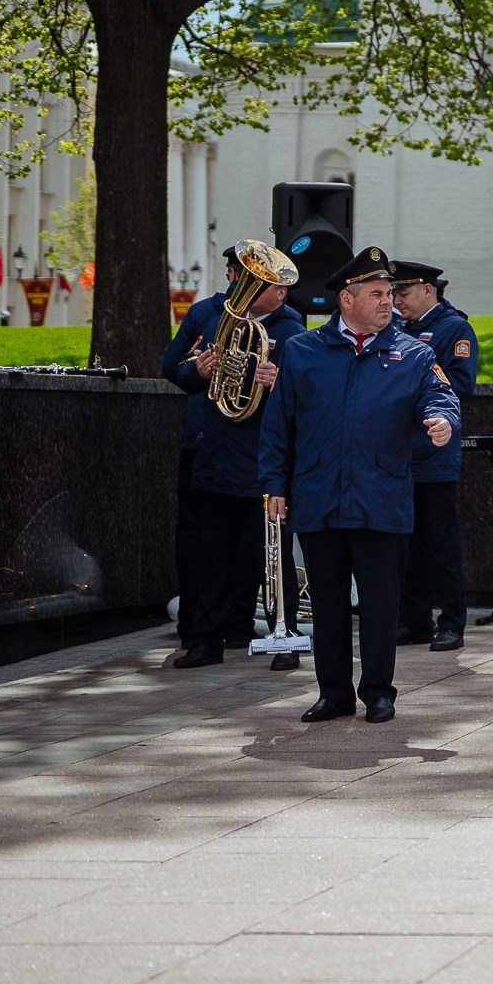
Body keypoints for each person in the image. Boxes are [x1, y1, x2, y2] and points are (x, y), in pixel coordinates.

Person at [259, 246, 460, 723]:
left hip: (381, 497)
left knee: (379, 602)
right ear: (346, 300)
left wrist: (442, 420)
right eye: (375, 294)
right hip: (318, 496)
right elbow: (278, 426)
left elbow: (441, 396)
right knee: (327, 603)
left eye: (389, 293)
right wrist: (274, 486)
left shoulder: (413, 352)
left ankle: (378, 692)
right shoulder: (303, 351)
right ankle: (333, 693)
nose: (387, 302)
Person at [161, 244, 305, 669]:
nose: (246, 286)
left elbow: (309, 395)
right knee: (212, 555)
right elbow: (177, 370)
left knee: (273, 556)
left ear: (280, 293)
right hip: (217, 453)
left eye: (261, 282)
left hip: (264, 461)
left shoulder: (292, 329)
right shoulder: (214, 318)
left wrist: (277, 381)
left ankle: (285, 637)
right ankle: (206, 640)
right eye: (244, 278)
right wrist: (199, 371)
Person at [389, 261, 475, 653]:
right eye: (393, 294)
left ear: (428, 290)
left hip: (434, 455)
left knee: (440, 543)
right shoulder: (394, 330)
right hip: (401, 454)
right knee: (405, 545)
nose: (396, 301)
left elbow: (458, 385)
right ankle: (414, 619)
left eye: (402, 294)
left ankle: (452, 622)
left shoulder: (454, 328)